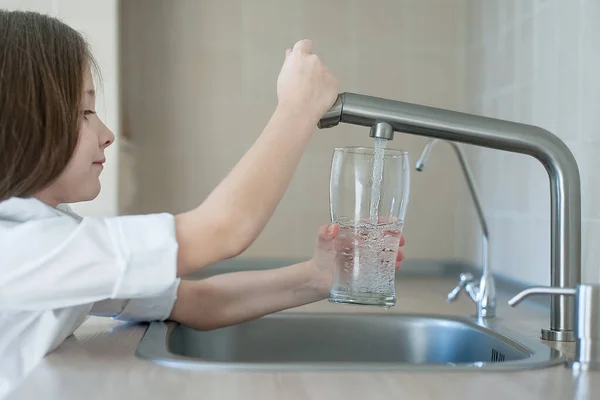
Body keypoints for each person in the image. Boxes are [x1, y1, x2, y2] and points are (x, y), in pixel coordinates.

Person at [0, 9, 406, 398]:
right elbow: (221, 230)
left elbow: (198, 302)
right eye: (85, 111)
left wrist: (319, 276)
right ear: (26, 119)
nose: (106, 133)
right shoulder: (18, 250)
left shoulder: (54, 235)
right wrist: (297, 110)